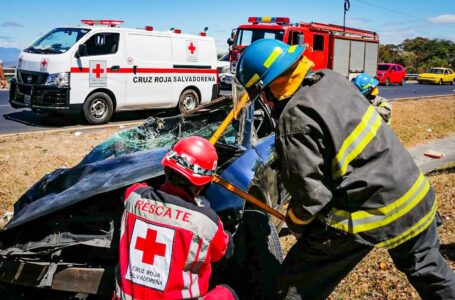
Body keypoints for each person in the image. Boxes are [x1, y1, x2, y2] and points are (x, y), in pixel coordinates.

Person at [234, 39, 455, 300]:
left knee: (292, 289)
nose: (265, 103)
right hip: (413, 191)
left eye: (260, 94)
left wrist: (294, 221)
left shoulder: (294, 118)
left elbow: (312, 198)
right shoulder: (332, 80)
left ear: (269, 87)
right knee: (430, 271)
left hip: (367, 211)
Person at [114, 136, 237, 299]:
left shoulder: (134, 197)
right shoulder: (207, 222)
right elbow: (223, 253)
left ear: (165, 169)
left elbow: (136, 188)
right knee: (227, 292)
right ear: (203, 184)